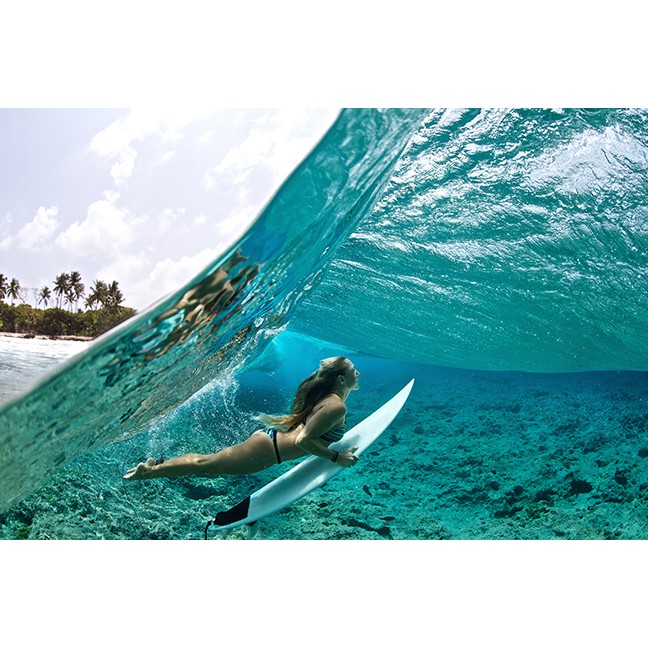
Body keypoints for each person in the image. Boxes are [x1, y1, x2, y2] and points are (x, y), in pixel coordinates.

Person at [123, 356, 361, 481]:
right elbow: (303, 441)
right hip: (268, 451)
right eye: (353, 371)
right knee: (205, 465)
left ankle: (156, 466)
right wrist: (336, 457)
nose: (358, 373)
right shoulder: (336, 406)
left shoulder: (329, 398)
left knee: (207, 462)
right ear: (341, 380)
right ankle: (149, 473)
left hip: (270, 442)